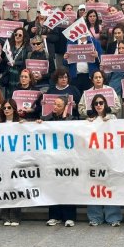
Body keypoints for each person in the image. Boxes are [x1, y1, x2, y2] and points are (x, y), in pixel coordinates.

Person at [37, 96, 76, 227]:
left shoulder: (72, 119)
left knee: (67, 187)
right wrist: (38, 123)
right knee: (53, 187)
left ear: (65, 107)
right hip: (52, 159)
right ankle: (54, 216)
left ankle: (69, 217)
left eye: (59, 105)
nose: (55, 107)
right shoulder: (47, 119)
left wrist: (64, 117)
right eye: (54, 104)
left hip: (67, 159)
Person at [86, 94, 122, 227]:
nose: (99, 105)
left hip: (110, 159)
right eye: (96, 103)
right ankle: (95, 217)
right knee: (94, 188)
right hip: (94, 159)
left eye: (101, 102)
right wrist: (88, 124)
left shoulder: (113, 118)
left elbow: (119, 135)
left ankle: (113, 217)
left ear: (105, 104)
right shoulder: (90, 120)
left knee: (110, 187)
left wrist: (111, 124)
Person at [0, 99, 24, 226]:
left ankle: (15, 216)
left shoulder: (21, 123)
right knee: (4, 187)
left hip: (16, 160)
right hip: (3, 161)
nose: (6, 110)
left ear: (14, 109)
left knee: (16, 187)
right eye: (4, 108)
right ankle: (5, 216)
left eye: (9, 107)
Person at [2, 27, 30, 98]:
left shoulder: (27, 48)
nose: (17, 36)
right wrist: (6, 60)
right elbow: (5, 57)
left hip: (20, 74)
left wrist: (16, 63)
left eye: (20, 35)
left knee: (18, 95)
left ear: (24, 37)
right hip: (9, 74)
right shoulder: (9, 46)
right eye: (16, 34)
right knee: (8, 95)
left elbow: (27, 62)